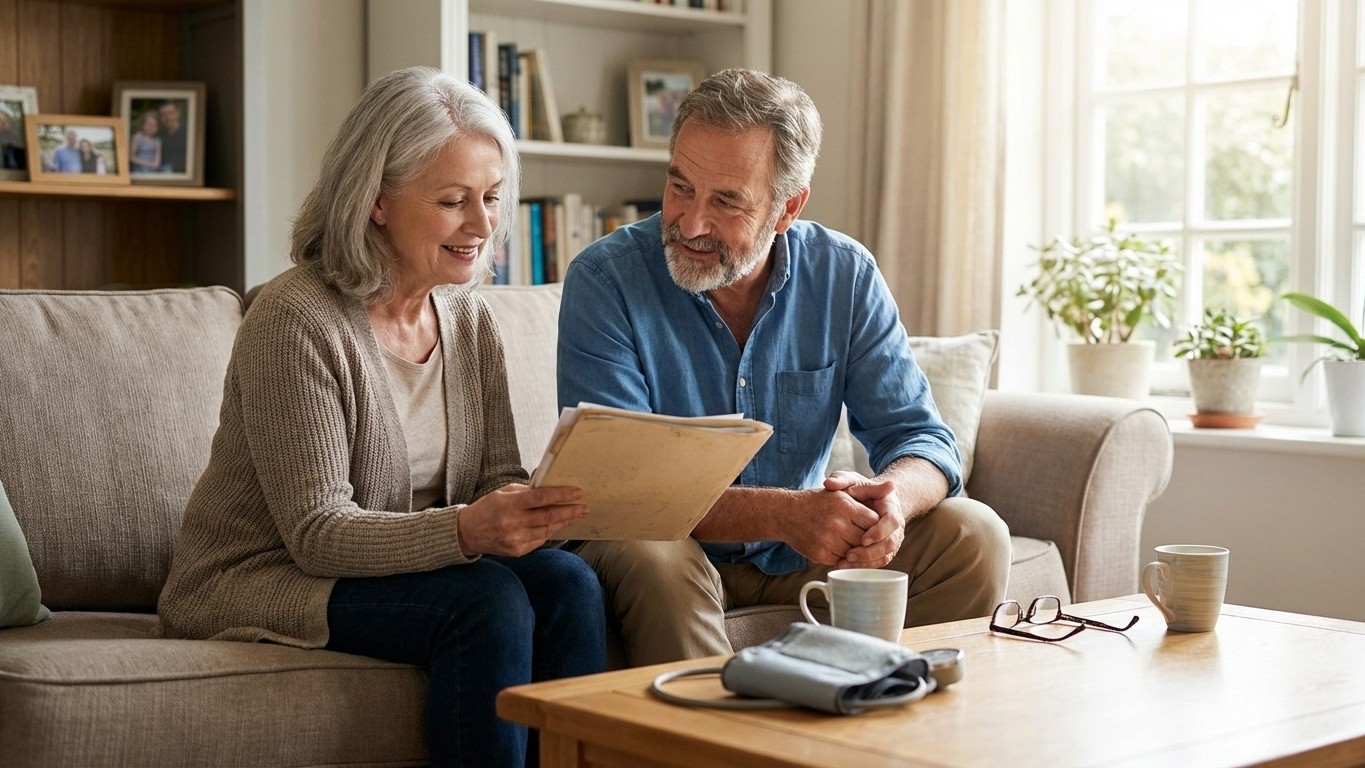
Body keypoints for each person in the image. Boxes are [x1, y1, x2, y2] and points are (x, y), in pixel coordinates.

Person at [158, 66, 606, 768]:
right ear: (375, 201)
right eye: (453, 201)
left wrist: (534, 508)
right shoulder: (295, 319)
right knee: (485, 601)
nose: (483, 225)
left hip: (400, 568)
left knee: (569, 583)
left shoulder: (466, 315)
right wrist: (468, 529)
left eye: (492, 198)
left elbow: (493, 477)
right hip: (264, 576)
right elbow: (316, 533)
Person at [556, 68, 1012, 667]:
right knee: (652, 554)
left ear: (786, 208)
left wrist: (891, 501)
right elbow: (625, 490)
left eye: (726, 202)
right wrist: (786, 513)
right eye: (679, 187)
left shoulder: (843, 275)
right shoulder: (605, 279)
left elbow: (923, 438)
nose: (691, 223)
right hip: (669, 544)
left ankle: (884, 731)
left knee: (973, 534)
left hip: (801, 556)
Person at [157, 99, 186, 173]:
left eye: (171, 113)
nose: (168, 118)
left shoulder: (188, 132)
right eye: (163, 115)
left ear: (178, 113)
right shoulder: (158, 136)